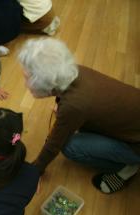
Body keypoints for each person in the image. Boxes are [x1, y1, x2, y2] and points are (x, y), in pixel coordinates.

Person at [18, 37, 140, 194]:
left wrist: (35, 171)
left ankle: (127, 166)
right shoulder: (75, 71)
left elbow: (54, 144)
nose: (25, 84)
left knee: (69, 147)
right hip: (131, 125)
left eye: (27, 79)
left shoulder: (73, 106)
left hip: (136, 145)